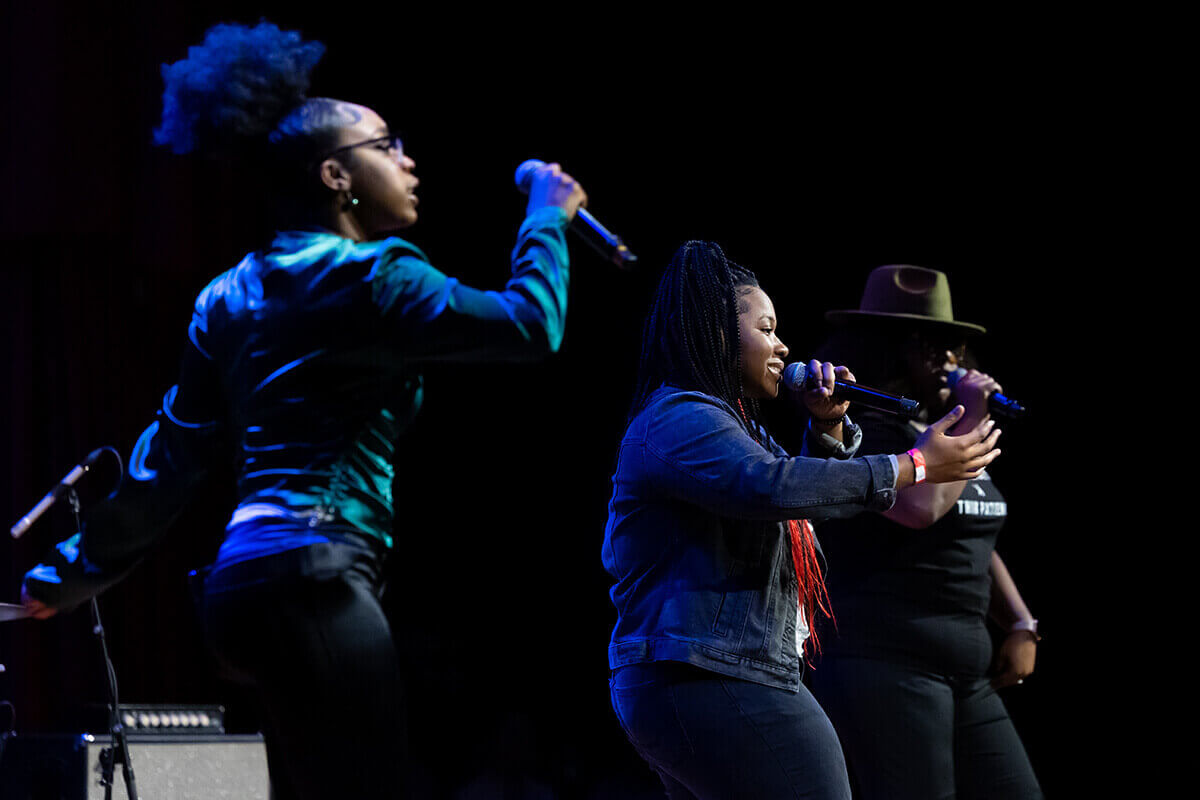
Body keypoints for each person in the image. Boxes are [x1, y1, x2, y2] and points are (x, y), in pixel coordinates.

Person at [19, 21, 586, 799]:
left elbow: (167, 465)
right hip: (317, 573)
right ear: (334, 174)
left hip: (237, 592)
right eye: (386, 145)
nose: (408, 160)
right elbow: (530, 324)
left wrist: (66, 571)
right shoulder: (377, 275)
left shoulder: (225, 296)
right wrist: (547, 216)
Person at [601, 241, 1003, 799]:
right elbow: (770, 487)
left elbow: (796, 499)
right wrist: (912, 464)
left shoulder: (731, 424)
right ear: (718, 334)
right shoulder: (679, 416)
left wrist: (827, 427)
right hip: (710, 672)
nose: (783, 346)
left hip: (713, 670)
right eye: (766, 329)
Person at [807, 264, 1043, 799]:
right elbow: (922, 510)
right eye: (927, 344)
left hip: (966, 669)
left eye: (953, 345)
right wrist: (974, 412)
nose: (948, 358)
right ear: (886, 348)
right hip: (888, 661)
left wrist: (1021, 622)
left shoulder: (942, 434)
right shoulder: (866, 430)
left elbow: (975, 534)